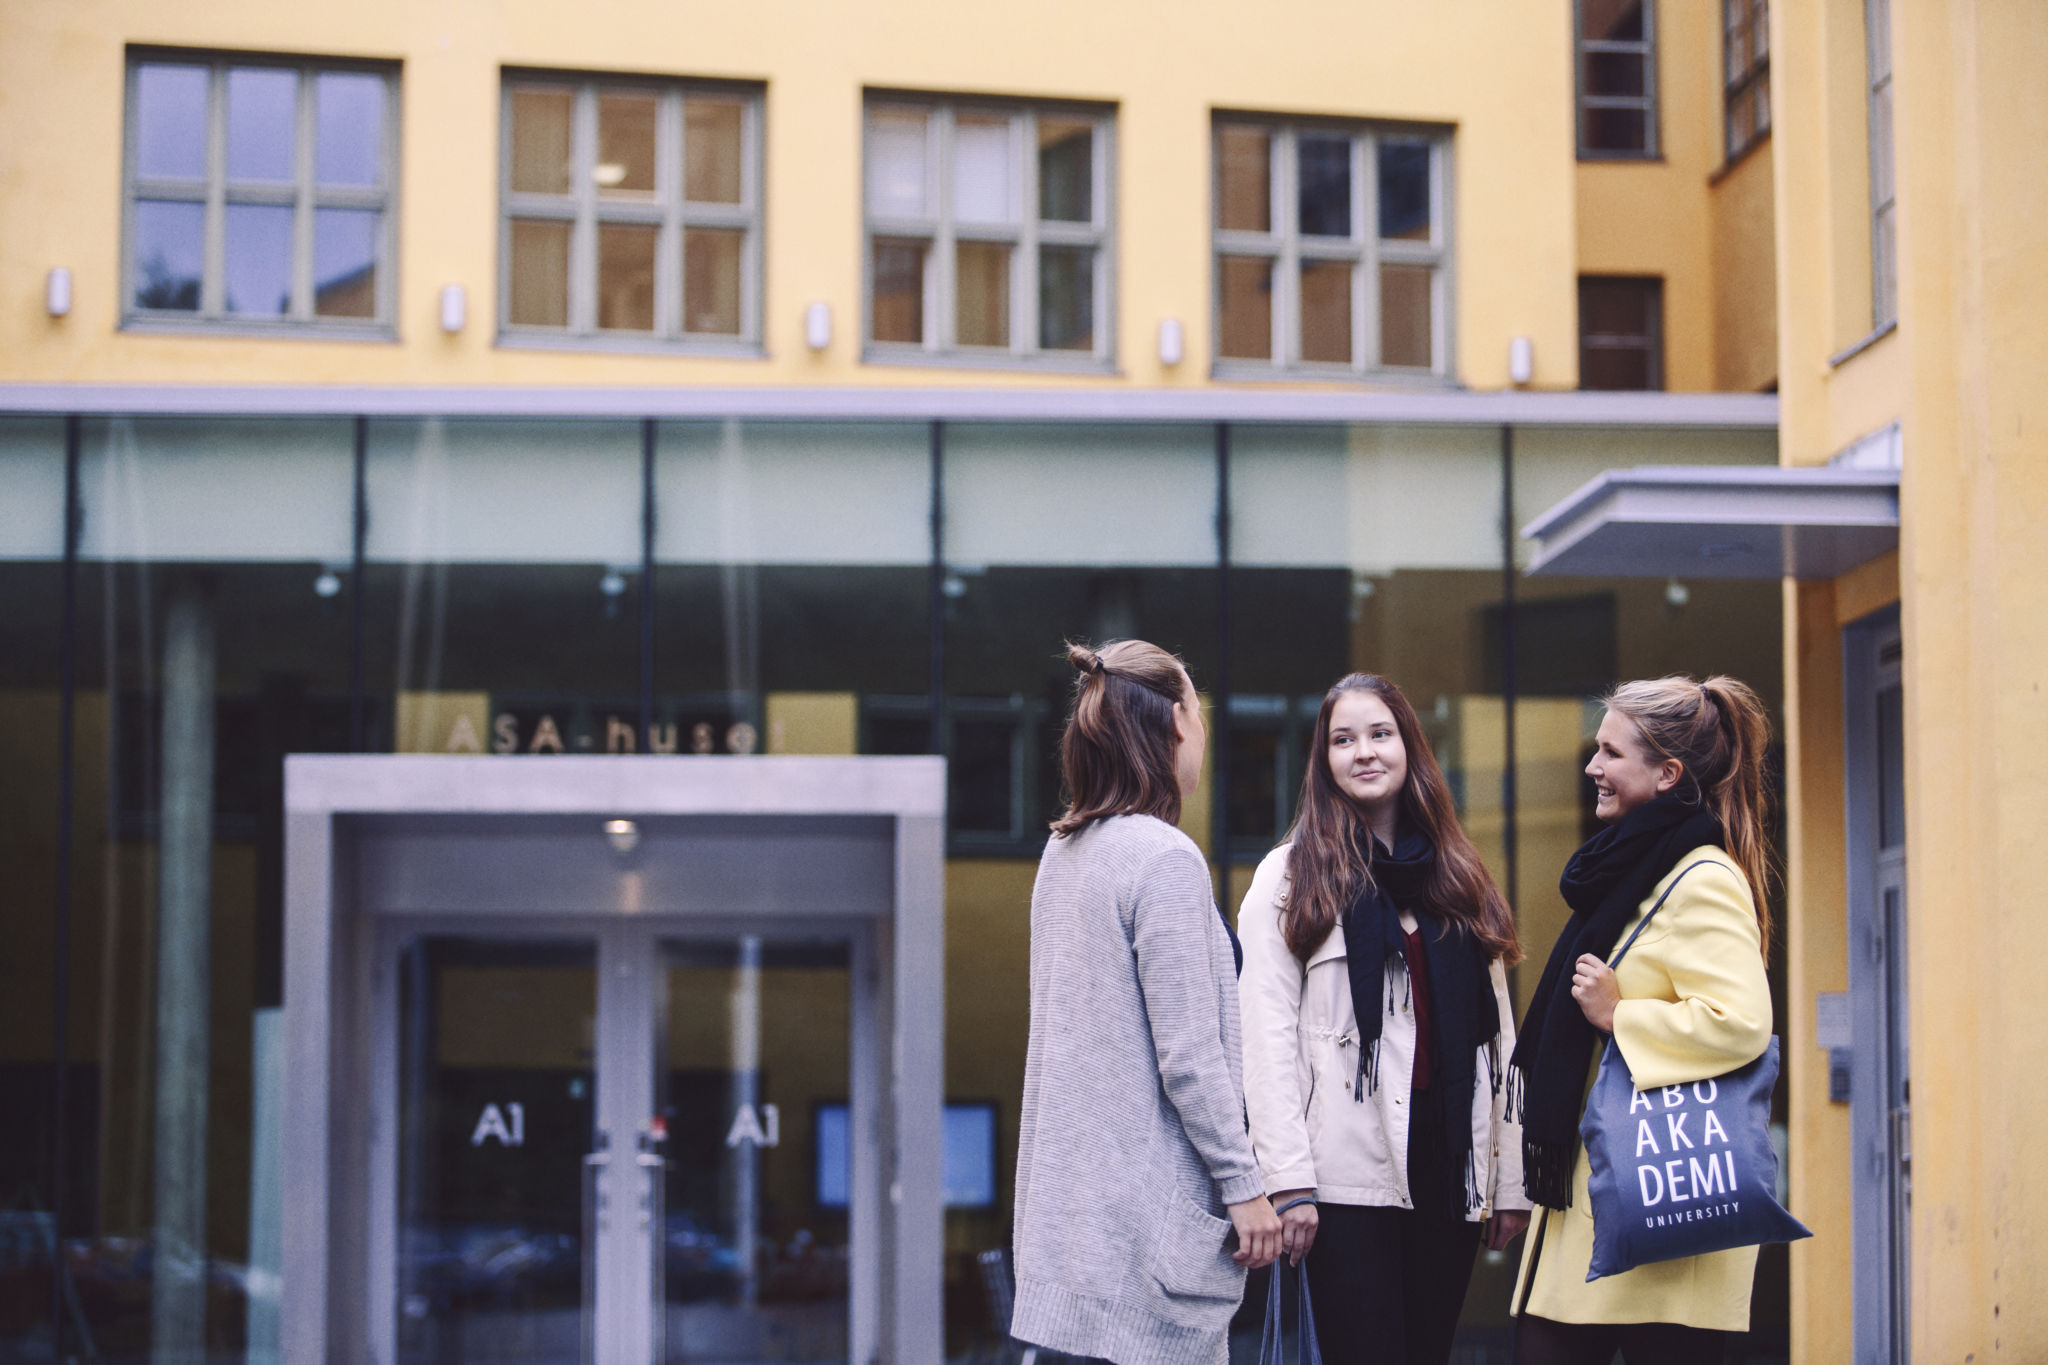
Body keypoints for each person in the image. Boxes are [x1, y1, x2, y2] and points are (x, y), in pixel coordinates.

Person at [1238, 672, 1531, 1364]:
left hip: (1448, 1168)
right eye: (1343, 739)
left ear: (1410, 749)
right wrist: (1287, 1181)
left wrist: (1509, 1180)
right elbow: (1265, 1036)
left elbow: (1501, 1039)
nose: (1364, 752)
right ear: (1325, 761)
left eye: (1380, 734)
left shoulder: (1460, 876)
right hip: (1344, 1178)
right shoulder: (1290, 875)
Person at [1010, 640, 1282, 1365]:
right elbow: (1189, 1055)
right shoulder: (1164, 858)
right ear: (1174, 726)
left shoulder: (1064, 855)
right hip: (1141, 1256)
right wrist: (1244, 1186)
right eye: (1198, 708)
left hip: (1072, 1246)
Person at [1508, 675, 1777, 1364]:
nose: (1592, 766)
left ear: (1667, 773)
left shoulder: (1702, 877)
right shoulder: (1630, 871)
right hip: (1603, 1191)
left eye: (1611, 752)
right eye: (1595, 749)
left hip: (1654, 1196)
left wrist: (1623, 1014)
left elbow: (1744, 1021)